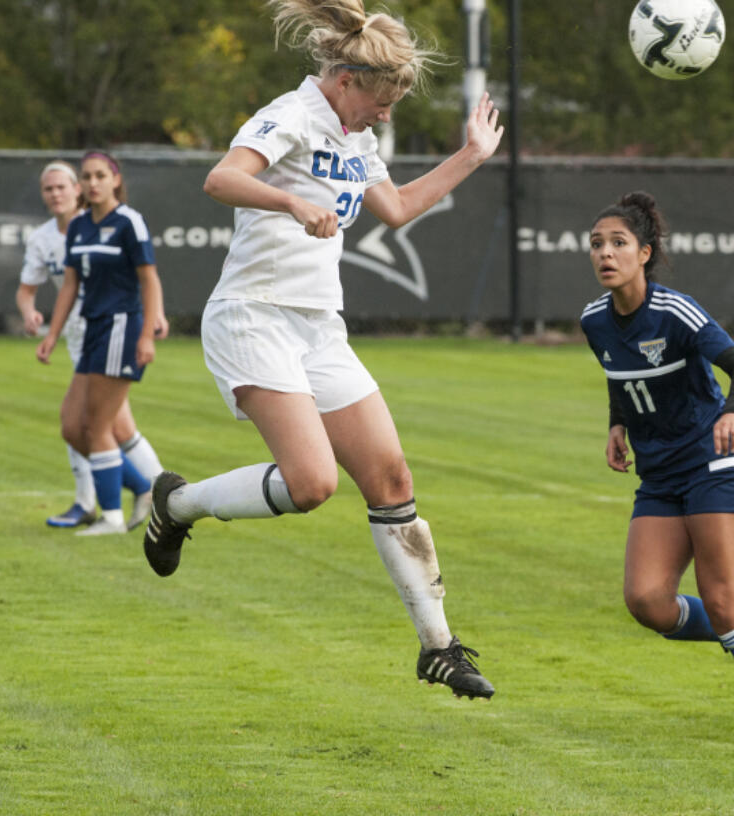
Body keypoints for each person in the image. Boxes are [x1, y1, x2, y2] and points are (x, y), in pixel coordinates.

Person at [141, 0, 502, 700]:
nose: (386, 114)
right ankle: (177, 505)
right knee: (311, 485)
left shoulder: (352, 133)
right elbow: (221, 178)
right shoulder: (292, 114)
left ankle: (439, 648)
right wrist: (291, 203)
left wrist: (471, 156)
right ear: (344, 79)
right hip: (253, 317)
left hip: (317, 327)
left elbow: (395, 209)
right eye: (383, 99)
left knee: (392, 480)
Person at [581, 191, 734, 743]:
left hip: (716, 464)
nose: (604, 254)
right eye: (596, 244)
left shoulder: (675, 311)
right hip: (659, 476)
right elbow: (623, 378)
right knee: (648, 602)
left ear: (645, 253)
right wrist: (618, 423)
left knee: (721, 597)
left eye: (618, 243)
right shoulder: (594, 321)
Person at [18, 160, 165, 531]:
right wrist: (51, 333)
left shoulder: (128, 221)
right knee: (73, 426)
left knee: (103, 427)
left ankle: (117, 513)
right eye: (87, 176)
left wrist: (148, 331)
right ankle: (143, 487)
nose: (93, 182)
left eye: (100, 175)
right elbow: (69, 284)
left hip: (120, 327)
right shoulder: (78, 228)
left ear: (115, 180)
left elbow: (150, 280)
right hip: (88, 332)